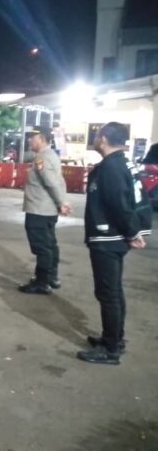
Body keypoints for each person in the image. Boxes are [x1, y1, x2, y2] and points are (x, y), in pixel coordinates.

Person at [77, 122, 152, 365]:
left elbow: (119, 203)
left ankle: (110, 349)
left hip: (108, 238)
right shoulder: (122, 162)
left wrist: (132, 232)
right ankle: (114, 338)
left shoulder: (111, 166)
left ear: (104, 138)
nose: (95, 138)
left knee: (108, 293)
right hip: (113, 237)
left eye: (97, 135)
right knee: (114, 291)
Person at [18, 126, 71, 295]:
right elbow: (59, 181)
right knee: (49, 244)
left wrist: (61, 202)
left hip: (39, 209)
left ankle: (42, 282)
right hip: (47, 209)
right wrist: (61, 201)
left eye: (32, 137)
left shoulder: (42, 158)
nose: (29, 140)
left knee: (42, 247)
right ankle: (51, 277)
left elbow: (51, 182)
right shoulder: (51, 155)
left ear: (41, 138)